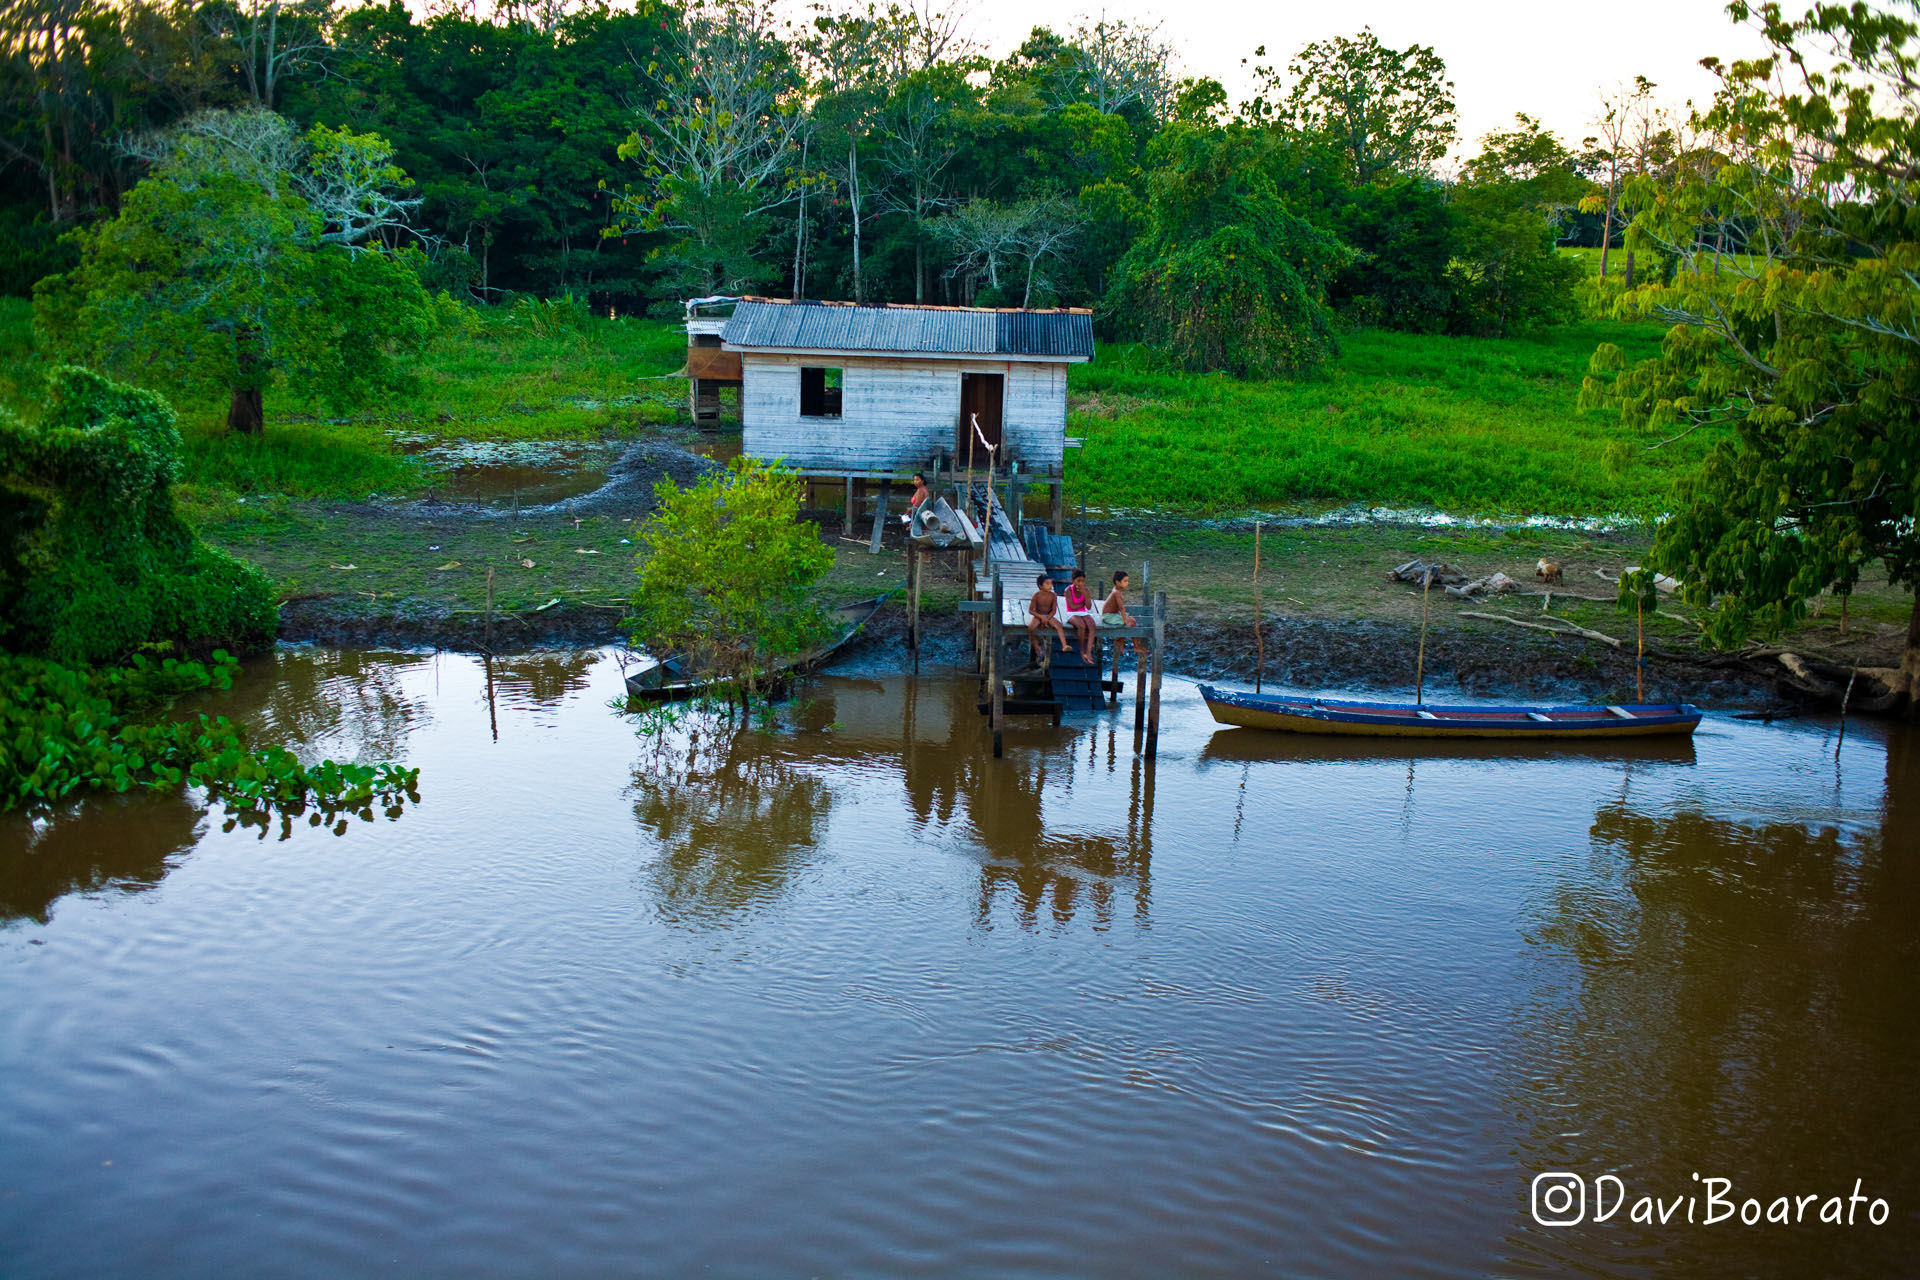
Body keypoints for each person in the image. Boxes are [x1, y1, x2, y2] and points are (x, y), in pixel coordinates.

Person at [1098, 569, 1147, 658]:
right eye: (1125, 581)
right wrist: (1125, 621)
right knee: (1131, 622)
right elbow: (1121, 608)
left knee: (1131, 620)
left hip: (1113, 614)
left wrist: (1125, 619)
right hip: (1108, 616)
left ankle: (1121, 640)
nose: (1127, 583)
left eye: (1127, 581)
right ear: (1117, 582)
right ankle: (1133, 645)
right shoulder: (1116, 592)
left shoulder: (1118, 590)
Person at [1027, 573, 1069, 663]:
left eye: (1051, 583)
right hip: (1038, 615)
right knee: (1031, 627)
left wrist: (1046, 619)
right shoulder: (1036, 595)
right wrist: (1041, 617)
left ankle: (1064, 645)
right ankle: (1036, 647)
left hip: (1049, 616)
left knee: (1059, 626)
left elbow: (1054, 610)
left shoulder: (1053, 596)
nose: (1051, 586)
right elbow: (1031, 610)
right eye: (1047, 583)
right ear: (1040, 586)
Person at [1062, 569, 1097, 663]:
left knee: (1092, 626)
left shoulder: (1086, 590)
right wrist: (1082, 604)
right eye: (1078, 581)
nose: (1081, 583)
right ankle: (1082, 651)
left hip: (1083, 612)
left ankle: (1089, 652)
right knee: (1081, 626)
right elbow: (1072, 607)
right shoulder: (1068, 590)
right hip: (1071, 613)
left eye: (1083, 581)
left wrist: (1085, 595)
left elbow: (1089, 607)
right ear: (1073, 581)